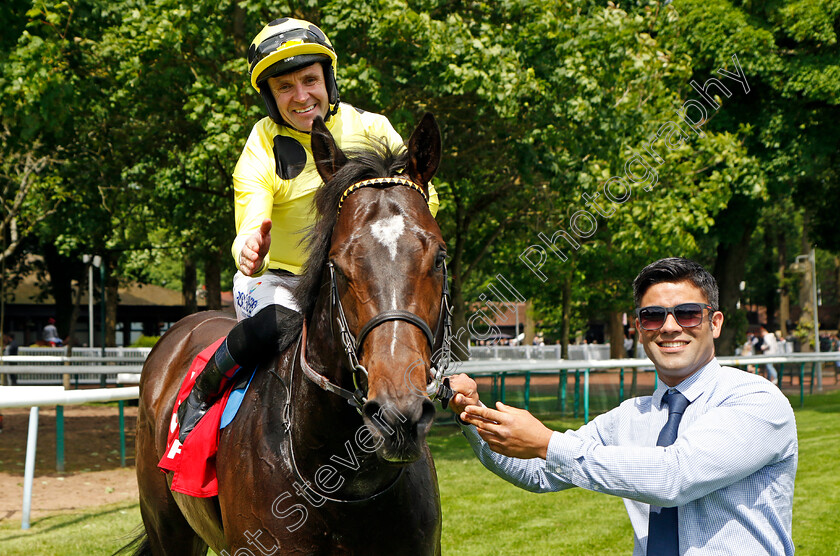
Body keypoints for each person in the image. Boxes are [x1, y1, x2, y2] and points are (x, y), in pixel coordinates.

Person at [176, 17, 439, 443]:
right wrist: (249, 247)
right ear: (269, 95)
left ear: (328, 79)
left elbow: (422, 203)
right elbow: (250, 217)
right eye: (284, 87)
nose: (301, 97)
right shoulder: (261, 145)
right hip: (277, 279)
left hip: (355, 278)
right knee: (281, 324)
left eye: (309, 79)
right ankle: (202, 393)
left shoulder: (372, 129)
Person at [448, 257, 797, 555]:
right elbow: (537, 472)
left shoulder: (757, 400)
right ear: (639, 328)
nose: (670, 327)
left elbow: (674, 477)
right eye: (653, 316)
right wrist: (472, 413)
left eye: (688, 314)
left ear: (715, 322)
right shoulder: (628, 417)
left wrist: (547, 442)